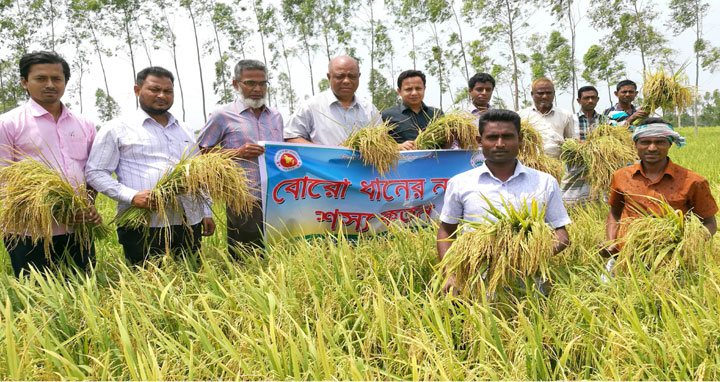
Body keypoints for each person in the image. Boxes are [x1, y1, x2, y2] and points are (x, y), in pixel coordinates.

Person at [85, 66, 216, 266]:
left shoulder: (186, 129)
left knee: (190, 281)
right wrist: (132, 196)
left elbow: (198, 174)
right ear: (137, 90)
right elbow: (95, 173)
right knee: (147, 286)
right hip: (143, 225)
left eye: (168, 91)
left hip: (189, 222)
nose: (162, 95)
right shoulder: (117, 128)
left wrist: (206, 212)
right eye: (154, 89)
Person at [437, 109, 571, 295]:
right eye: (492, 137)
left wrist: (526, 255)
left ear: (520, 139)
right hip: (476, 285)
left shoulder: (545, 182)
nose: (500, 144)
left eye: (507, 137)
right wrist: (450, 273)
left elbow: (561, 234)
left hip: (531, 284)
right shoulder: (460, 183)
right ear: (479, 141)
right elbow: (446, 231)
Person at [0, 51, 100, 277]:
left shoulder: (84, 124)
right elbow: (3, 181)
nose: (50, 84)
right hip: (29, 232)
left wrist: (89, 205)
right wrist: (50, 211)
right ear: (24, 82)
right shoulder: (8, 124)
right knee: (39, 298)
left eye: (57, 79)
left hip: (78, 227)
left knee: (84, 291)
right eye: (40, 78)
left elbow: (92, 173)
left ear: (65, 82)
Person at [197, 59, 282, 252]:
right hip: (243, 200)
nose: (257, 89)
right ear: (236, 84)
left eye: (262, 83)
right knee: (245, 257)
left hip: (278, 199)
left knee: (279, 254)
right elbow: (200, 153)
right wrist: (238, 153)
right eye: (250, 83)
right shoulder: (222, 115)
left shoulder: (275, 116)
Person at [605, 118, 717, 258]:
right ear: (635, 144)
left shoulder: (693, 181)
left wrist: (688, 244)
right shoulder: (621, 176)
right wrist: (610, 243)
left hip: (674, 260)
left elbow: (709, 223)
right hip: (628, 257)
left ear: (670, 144)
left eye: (660, 142)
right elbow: (615, 213)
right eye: (645, 142)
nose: (652, 148)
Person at [284, 56, 380, 146]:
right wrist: (326, 152)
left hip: (360, 164)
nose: (346, 81)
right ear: (329, 77)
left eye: (352, 76)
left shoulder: (369, 109)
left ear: (358, 76)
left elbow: (381, 141)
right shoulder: (311, 107)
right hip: (322, 163)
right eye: (340, 76)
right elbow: (291, 136)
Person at [561, 85, 612, 204]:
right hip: (576, 166)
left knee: (599, 198)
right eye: (586, 98)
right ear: (579, 101)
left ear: (597, 99)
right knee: (571, 199)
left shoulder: (605, 120)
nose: (590, 101)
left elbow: (611, 142)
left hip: (599, 166)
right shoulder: (570, 119)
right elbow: (564, 141)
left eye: (593, 98)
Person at [381, 70, 442, 150]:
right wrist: (397, 147)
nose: (414, 93)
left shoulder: (437, 114)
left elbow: (445, 145)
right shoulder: (386, 116)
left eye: (418, 88)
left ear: (424, 88)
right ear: (399, 91)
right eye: (408, 89)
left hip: (435, 161)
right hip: (402, 162)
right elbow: (379, 146)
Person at [518, 78, 576, 159]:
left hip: (557, 165)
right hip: (530, 164)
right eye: (540, 93)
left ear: (554, 94)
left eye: (548, 93)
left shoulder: (565, 115)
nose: (545, 96)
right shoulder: (522, 116)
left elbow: (571, 141)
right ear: (532, 94)